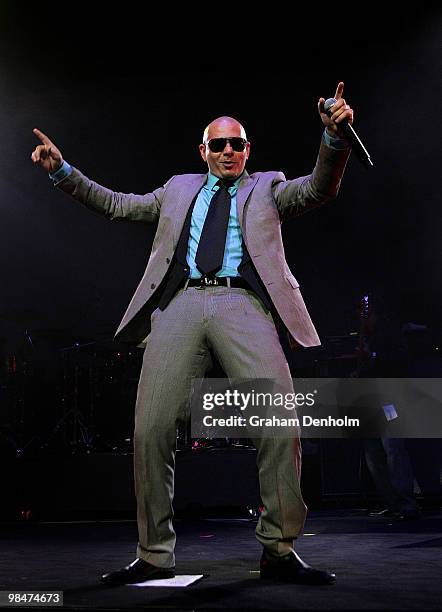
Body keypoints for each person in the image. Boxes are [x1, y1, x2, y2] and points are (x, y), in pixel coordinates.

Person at [31, 82, 353, 585]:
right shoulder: (178, 189)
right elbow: (118, 204)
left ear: (249, 150)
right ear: (203, 151)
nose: (229, 151)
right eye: (218, 144)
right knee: (151, 428)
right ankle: (154, 553)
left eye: (238, 144)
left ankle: (278, 549)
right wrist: (63, 173)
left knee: (280, 422)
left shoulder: (267, 186)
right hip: (179, 304)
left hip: (242, 302)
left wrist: (333, 138)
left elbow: (319, 187)